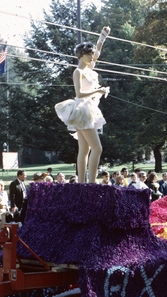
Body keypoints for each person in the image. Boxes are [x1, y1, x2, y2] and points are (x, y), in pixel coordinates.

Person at [54, 26, 111, 183]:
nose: (92, 57)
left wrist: (102, 37)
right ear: (81, 55)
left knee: (84, 149)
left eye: (92, 55)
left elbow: (98, 52)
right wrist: (97, 91)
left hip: (89, 109)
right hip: (82, 109)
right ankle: (91, 182)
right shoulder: (77, 72)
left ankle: (82, 183)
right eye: (89, 54)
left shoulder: (89, 68)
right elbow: (79, 94)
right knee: (97, 148)